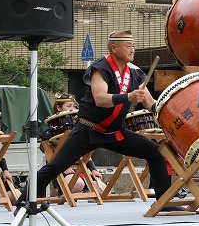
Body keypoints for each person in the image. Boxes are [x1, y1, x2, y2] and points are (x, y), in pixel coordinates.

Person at [20, 31, 172, 208]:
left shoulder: (135, 72)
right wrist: (128, 96)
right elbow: (100, 98)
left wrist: (161, 111)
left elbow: (147, 100)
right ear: (114, 48)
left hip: (116, 131)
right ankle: (23, 199)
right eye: (128, 46)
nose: (133, 50)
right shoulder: (100, 68)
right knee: (56, 166)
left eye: (133, 46)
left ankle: (164, 202)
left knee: (156, 153)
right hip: (89, 129)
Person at [40, 93, 104, 195]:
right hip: (63, 172)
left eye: (74, 106)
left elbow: (86, 153)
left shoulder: (79, 130)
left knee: (101, 188)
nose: (72, 109)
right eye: (69, 106)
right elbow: (49, 156)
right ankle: (65, 194)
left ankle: (83, 196)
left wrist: (93, 170)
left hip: (82, 170)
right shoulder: (49, 134)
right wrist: (62, 167)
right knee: (77, 185)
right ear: (58, 107)